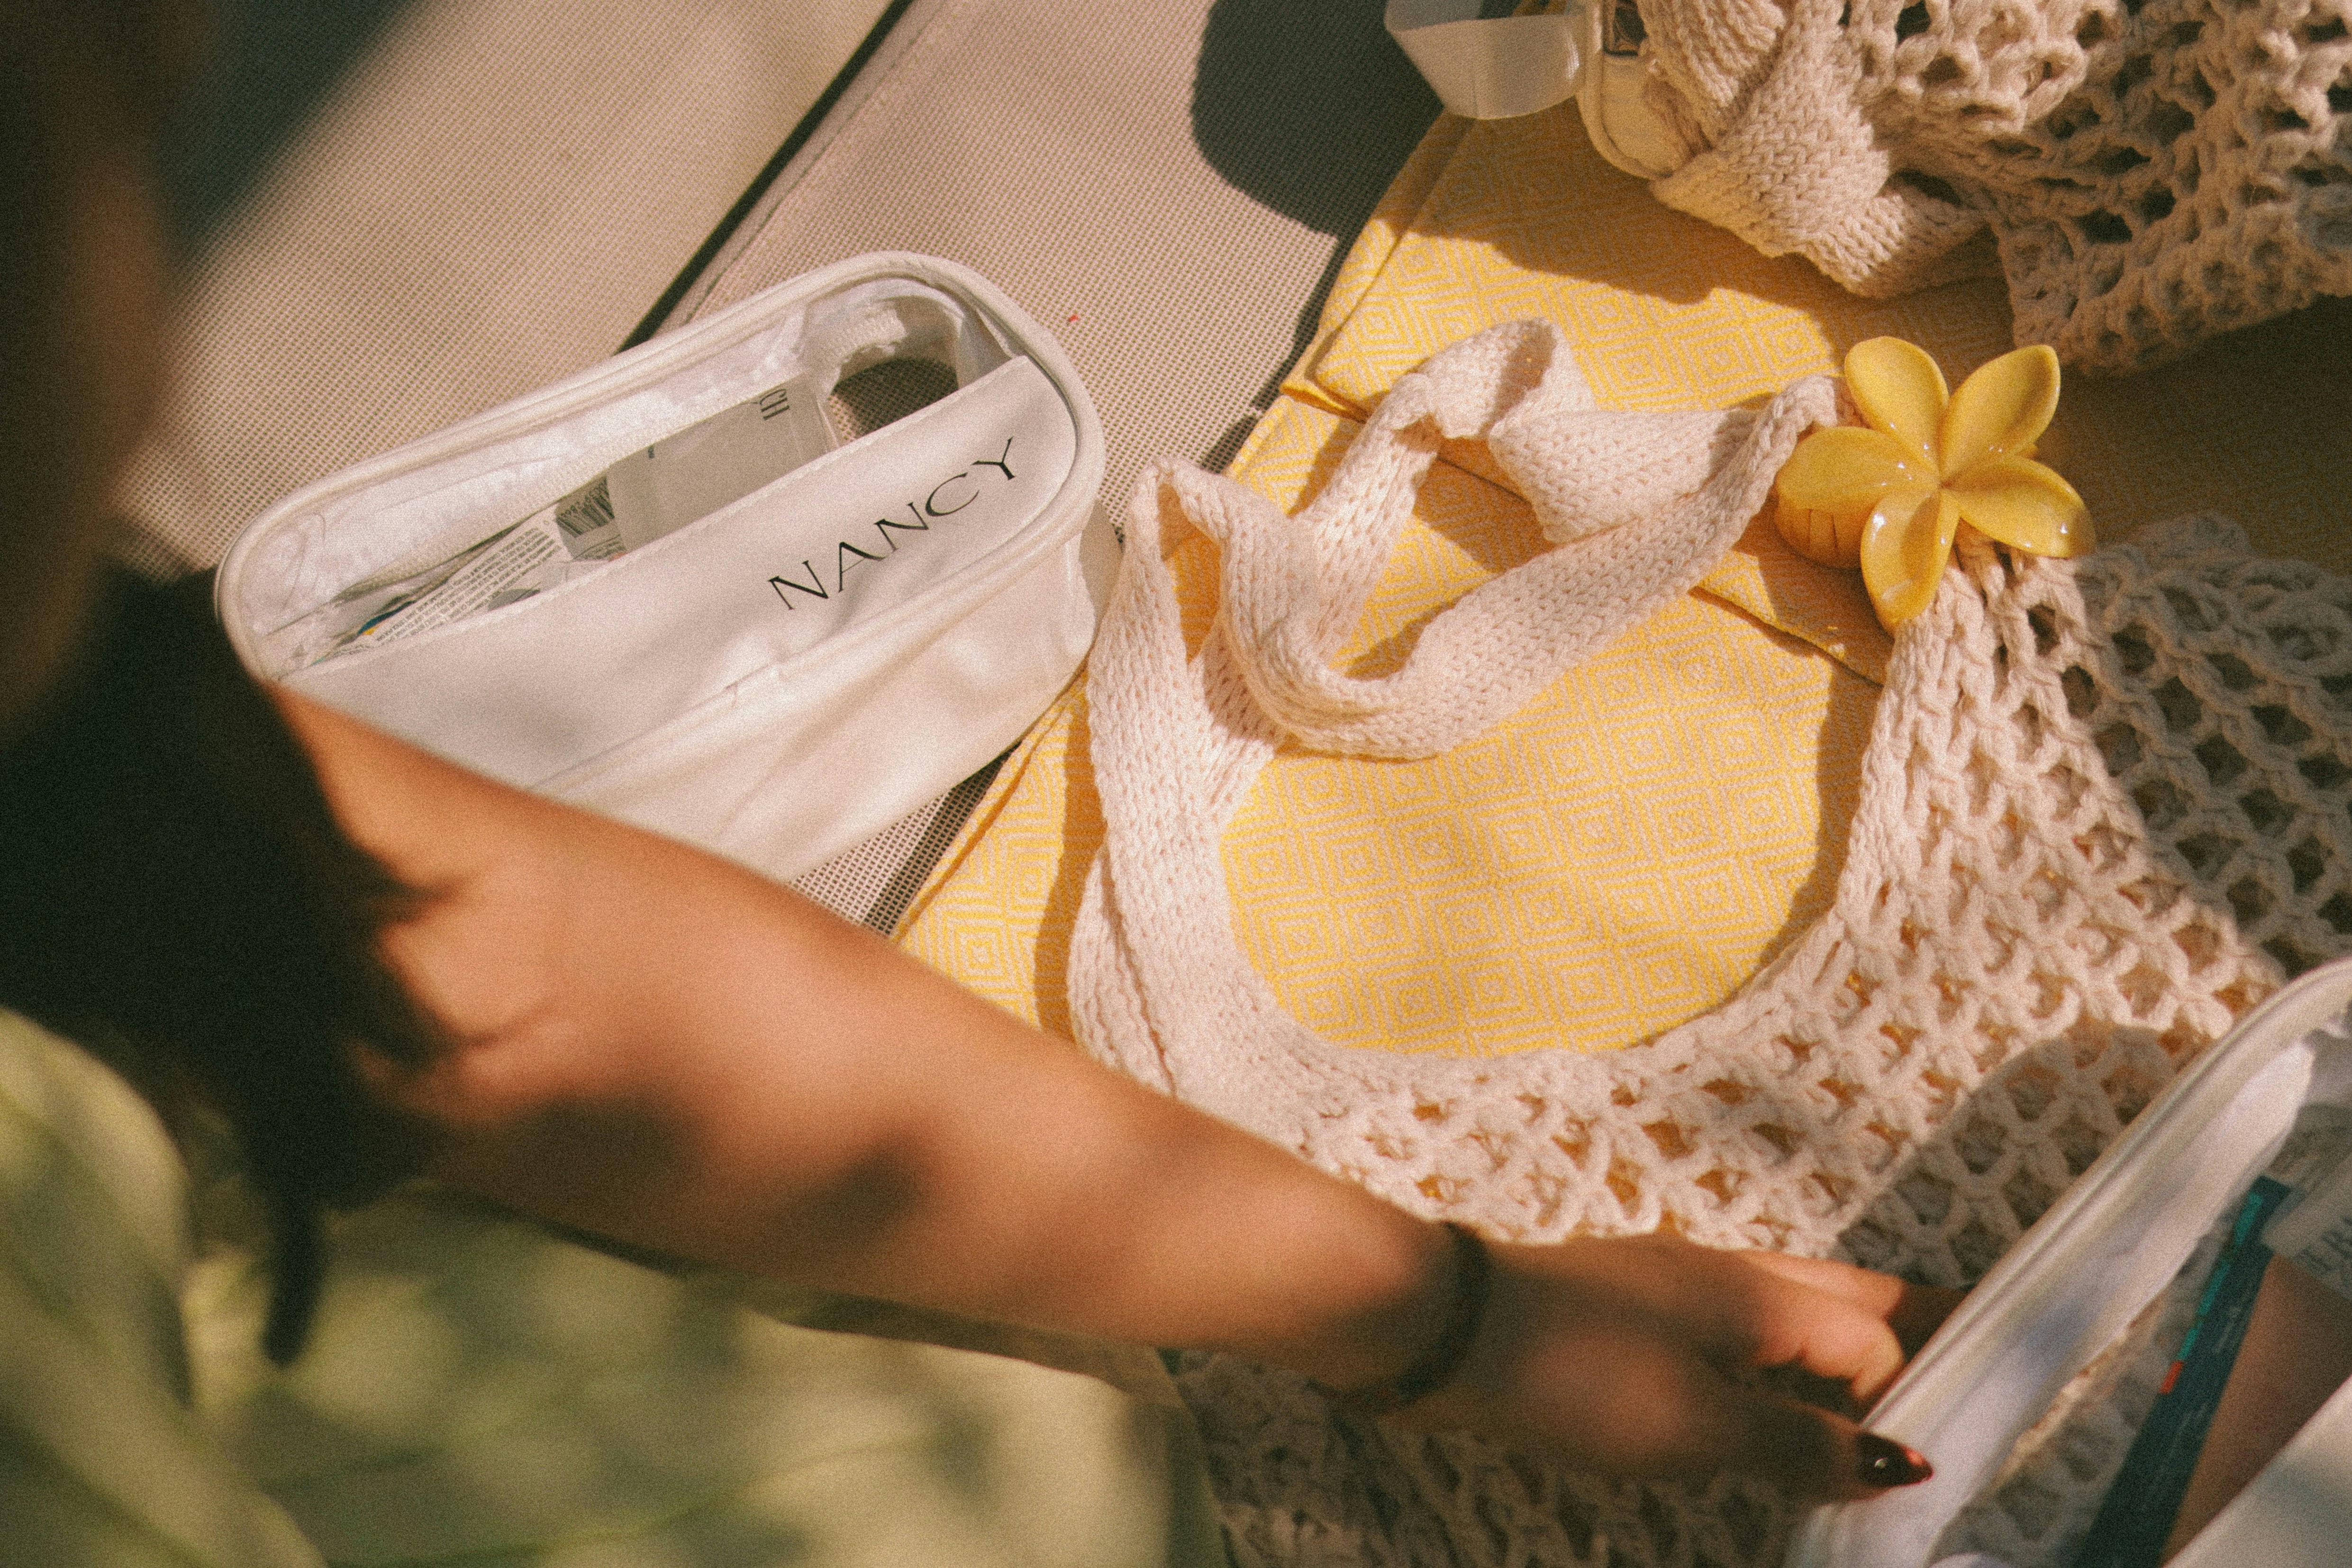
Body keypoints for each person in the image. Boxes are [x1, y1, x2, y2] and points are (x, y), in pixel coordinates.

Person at [0, 0, 1948, 1532]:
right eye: (115, 155)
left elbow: (529, 967)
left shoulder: (76, 758)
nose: (162, 360)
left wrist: (1464, 1319)